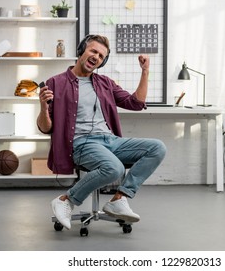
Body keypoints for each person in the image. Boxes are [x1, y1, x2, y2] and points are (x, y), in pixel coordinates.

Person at [37, 34, 166, 230]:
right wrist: (43, 107)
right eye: (93, 51)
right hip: (81, 143)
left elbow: (136, 103)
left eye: (101, 56)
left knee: (157, 147)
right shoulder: (56, 82)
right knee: (115, 169)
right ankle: (66, 199)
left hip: (110, 141)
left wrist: (145, 71)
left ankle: (119, 199)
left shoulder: (105, 82)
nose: (96, 57)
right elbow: (45, 128)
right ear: (82, 51)